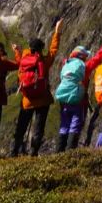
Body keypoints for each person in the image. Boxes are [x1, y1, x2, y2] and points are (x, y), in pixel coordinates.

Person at [11, 19, 62, 156]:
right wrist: (57, 31)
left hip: (27, 99)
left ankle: (14, 152)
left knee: (21, 127)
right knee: (38, 128)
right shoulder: (44, 62)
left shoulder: (23, 60)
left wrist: (16, 50)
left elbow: (18, 61)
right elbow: (53, 50)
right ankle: (33, 153)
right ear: (40, 49)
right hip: (43, 99)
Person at [54, 41, 102, 152]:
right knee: (74, 126)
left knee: (64, 127)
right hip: (78, 101)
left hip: (64, 101)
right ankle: (70, 154)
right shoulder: (85, 67)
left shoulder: (66, 64)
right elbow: (98, 57)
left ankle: (57, 154)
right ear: (82, 57)